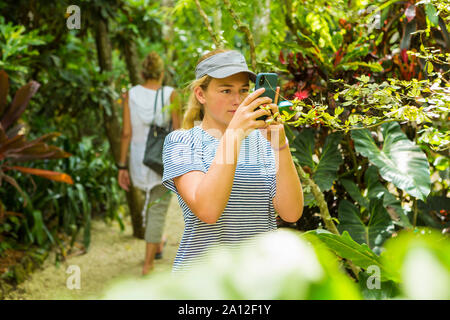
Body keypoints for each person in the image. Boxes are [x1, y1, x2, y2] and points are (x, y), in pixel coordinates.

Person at [161, 48, 304, 273]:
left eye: (243, 90)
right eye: (226, 90)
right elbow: (208, 210)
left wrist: (279, 143)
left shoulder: (264, 141)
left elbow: (291, 212)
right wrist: (234, 135)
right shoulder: (181, 141)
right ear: (201, 94)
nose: (237, 100)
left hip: (258, 281)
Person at [117, 51, 182, 275]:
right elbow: (177, 131)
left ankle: (158, 241)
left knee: (149, 202)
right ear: (162, 73)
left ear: (143, 73)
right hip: (161, 158)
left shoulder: (130, 94)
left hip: (137, 158)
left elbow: (126, 133)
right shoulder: (170, 94)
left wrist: (122, 166)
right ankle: (148, 265)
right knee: (157, 207)